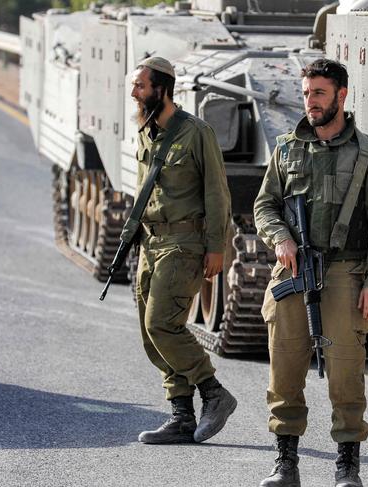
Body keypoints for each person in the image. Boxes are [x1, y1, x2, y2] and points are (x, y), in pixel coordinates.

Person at [254, 59, 368, 487]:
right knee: (284, 370)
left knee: (346, 374)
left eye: (319, 92)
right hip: (293, 273)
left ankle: (347, 466)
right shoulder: (285, 149)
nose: (310, 102)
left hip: (344, 272)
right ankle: (286, 463)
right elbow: (265, 205)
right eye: (306, 93)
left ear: (341, 96)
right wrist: (279, 237)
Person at [129, 56, 236, 445]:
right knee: (150, 331)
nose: (134, 92)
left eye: (141, 85)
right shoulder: (145, 131)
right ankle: (181, 416)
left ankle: (214, 392)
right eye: (134, 85)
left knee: (162, 323)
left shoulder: (196, 132)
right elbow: (144, 191)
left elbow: (217, 193)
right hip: (150, 242)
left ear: (162, 88)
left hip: (185, 242)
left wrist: (216, 247)